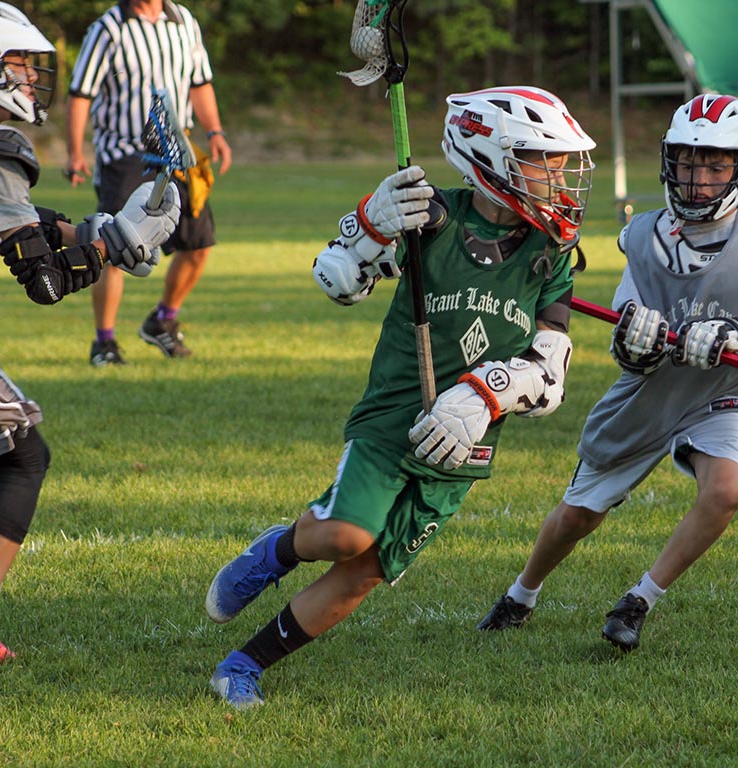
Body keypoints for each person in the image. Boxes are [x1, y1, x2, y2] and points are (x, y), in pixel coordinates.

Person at [202, 86, 595, 708]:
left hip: (466, 439)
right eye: (540, 160)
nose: (556, 178)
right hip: (395, 414)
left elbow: (551, 372)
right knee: (344, 537)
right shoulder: (431, 214)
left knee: (365, 572)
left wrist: (487, 392)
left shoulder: (553, 253)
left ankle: (243, 665)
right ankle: (276, 550)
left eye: (557, 164)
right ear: (489, 156)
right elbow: (338, 281)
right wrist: (369, 227)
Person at [477, 94, 738, 653]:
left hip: (721, 394)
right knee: (577, 517)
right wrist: (638, 346)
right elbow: (626, 341)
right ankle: (521, 593)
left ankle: (638, 600)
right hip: (648, 396)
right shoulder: (643, 236)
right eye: (688, 161)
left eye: (715, 164)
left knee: (726, 490)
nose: (699, 178)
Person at [0, 0, 179, 660]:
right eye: (18, 63)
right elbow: (44, 281)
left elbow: (11, 212)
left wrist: (95, 229)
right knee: (25, 454)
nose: (29, 76)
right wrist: (115, 249)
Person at [65, 0, 232, 365]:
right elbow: (81, 94)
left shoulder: (184, 20)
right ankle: (104, 342)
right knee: (113, 244)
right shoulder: (109, 27)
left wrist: (215, 131)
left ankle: (162, 320)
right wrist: (75, 150)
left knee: (199, 243)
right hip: (125, 153)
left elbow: (200, 83)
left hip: (177, 149)